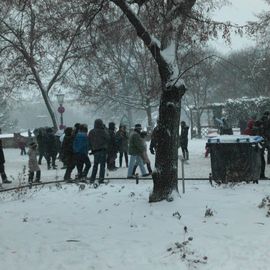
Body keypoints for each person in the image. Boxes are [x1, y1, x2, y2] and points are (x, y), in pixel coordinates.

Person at [88, 119, 110, 184]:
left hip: (95, 151)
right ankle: (101, 179)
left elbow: (89, 140)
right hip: (102, 150)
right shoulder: (103, 131)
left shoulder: (91, 131)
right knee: (102, 165)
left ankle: (92, 178)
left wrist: (91, 148)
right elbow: (108, 138)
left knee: (95, 165)